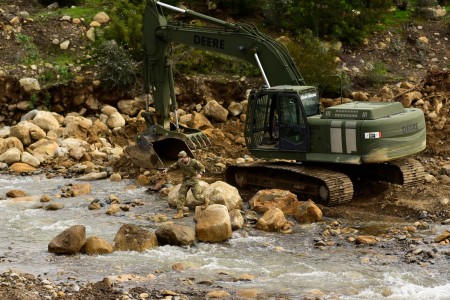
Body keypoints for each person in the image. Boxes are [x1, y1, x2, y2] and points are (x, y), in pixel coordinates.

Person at [163, 150, 209, 219]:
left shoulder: (194, 162)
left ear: (186, 157)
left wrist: (200, 174)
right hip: (185, 181)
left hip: (194, 180)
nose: (181, 160)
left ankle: (205, 200)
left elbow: (202, 168)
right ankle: (180, 213)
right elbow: (173, 166)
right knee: (181, 195)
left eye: (182, 158)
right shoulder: (180, 162)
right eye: (180, 159)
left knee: (197, 196)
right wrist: (167, 169)